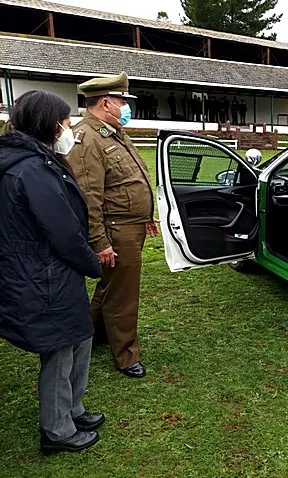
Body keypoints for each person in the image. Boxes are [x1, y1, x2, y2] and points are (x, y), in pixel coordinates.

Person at [0, 90, 104, 455]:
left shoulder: (35, 160)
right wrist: (93, 265)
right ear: (48, 124)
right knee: (60, 353)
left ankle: (73, 410)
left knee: (80, 339)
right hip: (43, 276)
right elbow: (63, 232)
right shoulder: (30, 168)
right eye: (65, 121)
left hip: (49, 273)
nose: (70, 128)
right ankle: (57, 430)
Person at [65, 72, 158, 379]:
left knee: (110, 286)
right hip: (115, 231)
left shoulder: (112, 132)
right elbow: (90, 196)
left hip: (129, 225)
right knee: (123, 294)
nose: (125, 107)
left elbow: (132, 180)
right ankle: (126, 355)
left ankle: (92, 335)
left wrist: (146, 216)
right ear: (105, 102)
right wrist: (100, 241)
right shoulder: (87, 138)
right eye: (122, 101)